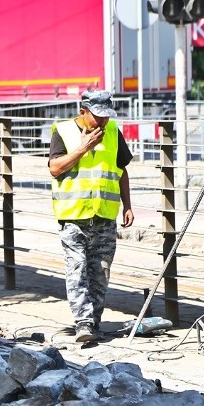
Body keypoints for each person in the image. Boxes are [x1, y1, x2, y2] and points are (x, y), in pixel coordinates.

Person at [49, 90, 135, 343]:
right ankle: (83, 323)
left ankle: (93, 324)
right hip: (74, 216)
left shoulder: (112, 132)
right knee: (77, 271)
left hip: (104, 216)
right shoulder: (63, 131)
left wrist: (128, 205)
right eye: (98, 117)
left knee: (100, 272)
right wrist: (82, 148)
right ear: (83, 111)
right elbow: (54, 168)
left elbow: (122, 171)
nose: (102, 122)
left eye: (107, 117)